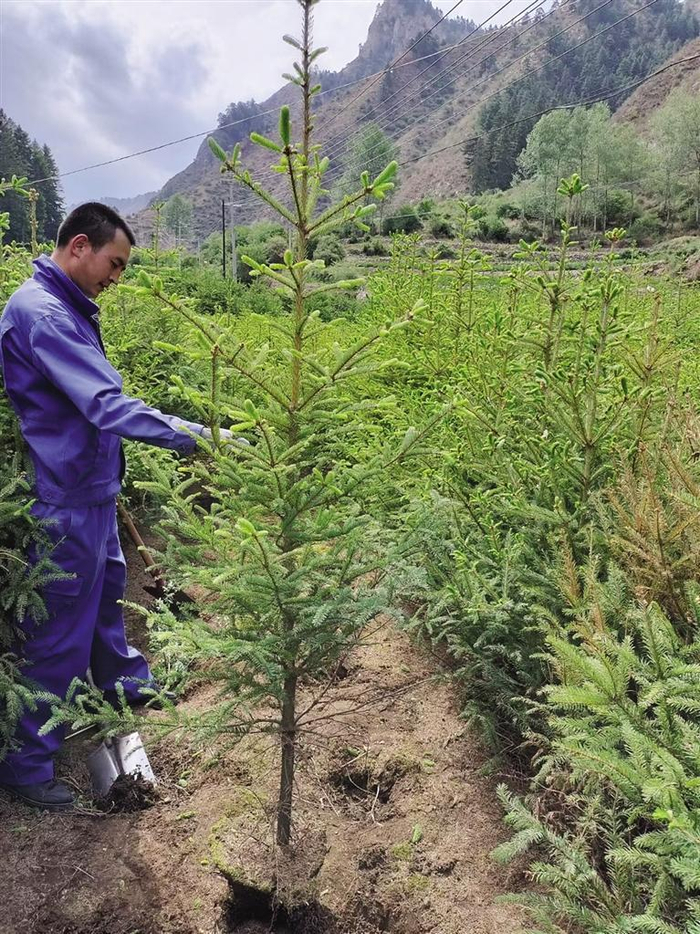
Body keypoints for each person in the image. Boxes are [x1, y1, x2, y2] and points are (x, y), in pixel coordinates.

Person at [0, 202, 214, 811]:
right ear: (78, 247)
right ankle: (27, 762)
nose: (115, 278)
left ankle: (125, 691)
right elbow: (107, 405)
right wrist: (201, 435)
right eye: (113, 263)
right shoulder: (43, 315)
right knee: (59, 633)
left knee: (105, 606)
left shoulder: (65, 306)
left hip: (93, 491)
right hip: (65, 498)